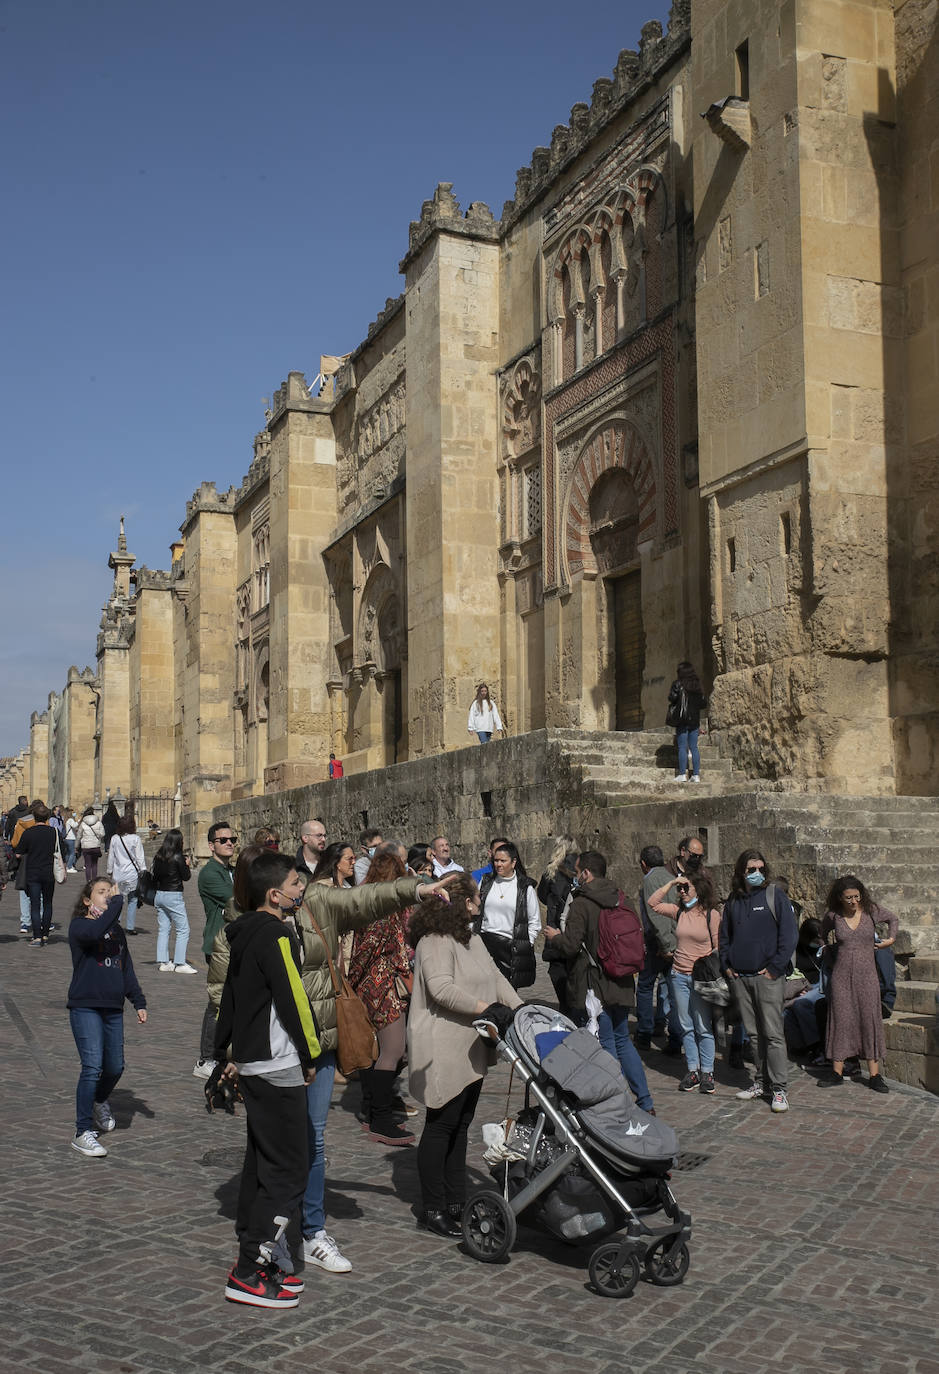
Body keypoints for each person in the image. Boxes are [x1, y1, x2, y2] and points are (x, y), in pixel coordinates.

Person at [209, 851, 458, 1275]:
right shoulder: (235, 932)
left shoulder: (315, 905)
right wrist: (231, 1054)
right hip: (268, 1056)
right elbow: (222, 996)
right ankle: (262, 1233)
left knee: (314, 1139)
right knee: (267, 1145)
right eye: (293, 882)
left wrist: (415, 890)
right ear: (267, 889)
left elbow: (364, 900)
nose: (302, 887)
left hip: (317, 1042)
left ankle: (311, 1230)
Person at [213, 851, 320, 1309]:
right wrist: (312, 1051)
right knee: (289, 1167)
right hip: (277, 1064)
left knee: (261, 1164)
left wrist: (224, 1051)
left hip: (256, 1062)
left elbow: (231, 1000)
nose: (302, 890)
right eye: (296, 884)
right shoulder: (274, 933)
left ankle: (259, 1256)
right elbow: (293, 996)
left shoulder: (243, 934)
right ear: (275, 895)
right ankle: (248, 1269)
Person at [408, 876, 522, 1236]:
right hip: (443, 1044)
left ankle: (456, 1200)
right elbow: (441, 988)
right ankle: (433, 1208)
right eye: (475, 899)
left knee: (460, 1126)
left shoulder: (471, 938)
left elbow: (496, 978)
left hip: (471, 1043)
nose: (480, 904)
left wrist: (522, 1012)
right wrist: (485, 1008)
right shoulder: (434, 941)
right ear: (463, 903)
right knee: (441, 1125)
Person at [544, 851, 654, 1114]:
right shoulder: (619, 896)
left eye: (578, 871)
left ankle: (617, 1102)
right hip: (623, 980)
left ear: (587, 873)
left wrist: (555, 936)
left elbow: (571, 946)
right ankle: (645, 1101)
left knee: (606, 1044)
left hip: (596, 984)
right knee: (623, 1040)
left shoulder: (582, 903)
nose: (576, 876)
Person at [67, 878, 147, 1158]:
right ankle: (82, 1132)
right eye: (102, 893)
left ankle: (99, 1099)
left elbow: (126, 969)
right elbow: (94, 933)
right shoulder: (81, 926)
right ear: (87, 901)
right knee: (92, 1066)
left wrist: (138, 1000)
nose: (108, 897)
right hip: (85, 1005)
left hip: (113, 1008)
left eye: (110, 892)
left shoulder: (115, 932)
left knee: (115, 1066)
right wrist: (118, 901)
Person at [348, 844, 418, 1145]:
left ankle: (376, 1111)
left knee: (384, 1051)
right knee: (392, 1050)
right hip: (381, 986)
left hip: (377, 985)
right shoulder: (382, 910)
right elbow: (365, 951)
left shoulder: (373, 904)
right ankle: (380, 1119)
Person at [719, 849, 798, 1113]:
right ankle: (761, 1081)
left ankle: (779, 1089)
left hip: (768, 977)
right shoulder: (733, 900)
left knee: (773, 1034)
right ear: (741, 871)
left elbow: (789, 936)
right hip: (741, 977)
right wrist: (727, 966)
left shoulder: (775, 895)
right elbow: (724, 936)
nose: (756, 874)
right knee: (754, 1035)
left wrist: (775, 969)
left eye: (761, 869)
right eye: (751, 869)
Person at [648, 872, 723, 1093]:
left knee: (703, 1026)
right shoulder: (679, 912)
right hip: (678, 975)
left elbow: (718, 946)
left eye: (685, 888)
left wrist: (708, 965)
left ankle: (707, 1071)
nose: (681, 892)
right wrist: (671, 882)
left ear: (698, 890)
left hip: (701, 978)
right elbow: (653, 903)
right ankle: (693, 1070)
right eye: (679, 889)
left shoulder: (711, 915)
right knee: (685, 1026)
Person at [821, 876, 897, 1092]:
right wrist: (829, 956)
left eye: (856, 896)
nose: (853, 901)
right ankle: (836, 1071)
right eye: (848, 898)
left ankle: (874, 1075)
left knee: (869, 1019)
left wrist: (889, 940)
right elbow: (822, 936)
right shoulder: (833, 915)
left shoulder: (871, 910)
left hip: (867, 977)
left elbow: (893, 919)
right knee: (841, 1020)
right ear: (840, 898)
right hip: (841, 977)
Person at [194, 821, 237, 1077]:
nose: (230, 842)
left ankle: (225, 1053)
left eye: (232, 839)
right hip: (218, 944)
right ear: (211, 846)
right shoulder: (210, 873)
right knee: (217, 1003)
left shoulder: (231, 870)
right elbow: (237, 899)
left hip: (232, 942)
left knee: (232, 1000)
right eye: (223, 840)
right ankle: (205, 1059)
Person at [636, 845, 683, 1054]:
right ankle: (675, 1037)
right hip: (674, 940)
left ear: (644, 864)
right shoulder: (671, 876)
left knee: (645, 987)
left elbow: (656, 916)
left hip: (659, 943)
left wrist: (665, 945)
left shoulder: (650, 880)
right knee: (674, 991)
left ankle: (645, 1033)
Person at [476, 842, 540, 989]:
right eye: (496, 860)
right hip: (485, 942)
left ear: (513, 862)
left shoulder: (525, 887)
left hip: (510, 947)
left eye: (503, 861)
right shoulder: (486, 882)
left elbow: (534, 921)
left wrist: (525, 944)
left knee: (507, 990)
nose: (498, 864)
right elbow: (477, 912)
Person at [538, 836, 578, 1017]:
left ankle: (567, 1010)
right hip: (577, 928)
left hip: (556, 929)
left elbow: (542, 895)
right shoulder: (582, 867)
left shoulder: (552, 870)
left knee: (558, 969)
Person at [15, 802, 60, 946]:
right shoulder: (54, 832)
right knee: (48, 903)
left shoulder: (29, 833)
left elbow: (18, 853)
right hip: (48, 872)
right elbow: (61, 852)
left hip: (33, 872)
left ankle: (37, 936)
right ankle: (45, 934)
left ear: (34, 817)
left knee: (35, 905)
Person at [152, 828, 196, 972]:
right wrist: (187, 865)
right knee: (183, 929)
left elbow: (155, 876)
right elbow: (186, 877)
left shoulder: (158, 856)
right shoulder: (178, 857)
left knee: (164, 929)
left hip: (159, 895)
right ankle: (180, 962)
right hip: (173, 895)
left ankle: (164, 962)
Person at [667, 661, 707, 782]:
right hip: (694, 721)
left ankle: (682, 774)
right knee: (694, 747)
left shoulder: (678, 684)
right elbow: (703, 703)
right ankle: (696, 775)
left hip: (682, 720)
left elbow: (671, 698)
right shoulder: (697, 685)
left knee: (682, 747)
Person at [107, 815, 145, 934]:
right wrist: (143, 869)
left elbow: (111, 856)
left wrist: (109, 870)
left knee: (118, 899)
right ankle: (130, 926)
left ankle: (116, 921)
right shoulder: (135, 839)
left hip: (118, 873)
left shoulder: (115, 838)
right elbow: (139, 857)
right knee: (132, 900)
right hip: (131, 874)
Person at [77, 808, 106, 883]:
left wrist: (76, 846)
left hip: (86, 846)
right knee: (94, 864)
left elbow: (79, 836)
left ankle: (88, 881)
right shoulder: (98, 823)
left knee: (87, 865)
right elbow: (103, 834)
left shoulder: (83, 823)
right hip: (95, 846)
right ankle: (94, 881)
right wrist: (97, 835)